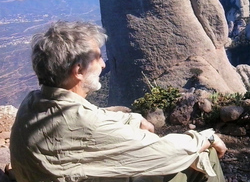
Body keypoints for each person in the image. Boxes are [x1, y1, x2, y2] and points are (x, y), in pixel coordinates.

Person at [10, 21, 227, 182]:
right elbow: (165, 153)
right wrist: (204, 137)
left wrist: (131, 119)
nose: (103, 65)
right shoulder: (86, 124)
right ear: (78, 71)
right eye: (97, 58)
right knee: (200, 158)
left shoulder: (32, 103)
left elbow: (90, 116)